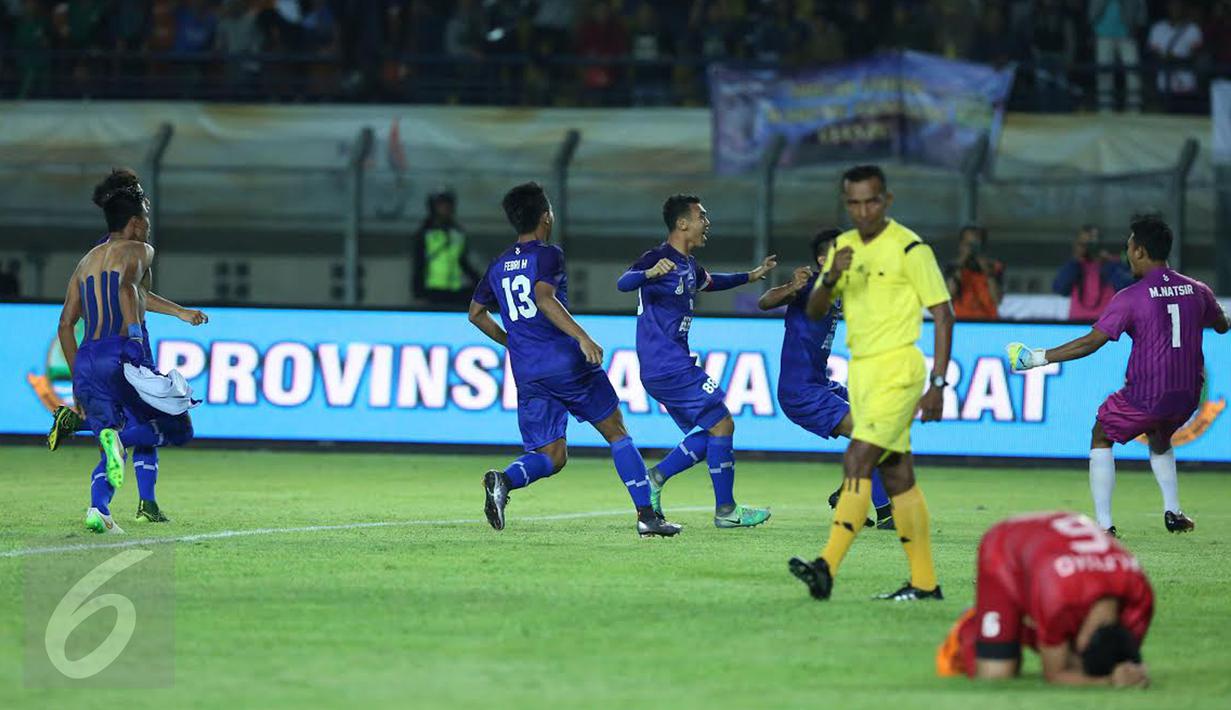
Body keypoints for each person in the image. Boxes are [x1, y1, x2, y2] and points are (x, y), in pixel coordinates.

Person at [468, 182, 680, 538]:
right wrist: (582, 337)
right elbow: (544, 297)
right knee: (616, 432)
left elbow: (476, 314)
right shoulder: (548, 254)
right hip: (565, 363)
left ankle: (503, 480)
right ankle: (647, 516)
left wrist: (513, 342)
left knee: (552, 455)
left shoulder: (498, 264)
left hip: (528, 371)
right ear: (546, 216)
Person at [788, 164, 955, 602]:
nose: (863, 211)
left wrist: (938, 381)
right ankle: (924, 583)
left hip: (899, 370)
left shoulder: (910, 249)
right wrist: (829, 276)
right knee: (897, 474)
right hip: (861, 371)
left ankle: (826, 566)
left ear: (887, 200)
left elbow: (943, 312)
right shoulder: (843, 248)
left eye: (871, 201)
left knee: (857, 460)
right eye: (855, 203)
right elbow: (815, 308)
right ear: (847, 203)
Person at [1009, 214, 1229, 535]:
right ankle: (1173, 511)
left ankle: (1104, 526)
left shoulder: (1131, 297)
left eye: (1128, 247)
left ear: (1139, 251)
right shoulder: (1198, 290)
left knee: (1101, 433)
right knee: (1160, 436)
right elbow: (1222, 325)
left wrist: (1037, 358)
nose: (1127, 255)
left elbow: (1091, 342)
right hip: (1188, 395)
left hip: (1148, 393)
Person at [57, 169, 205, 533]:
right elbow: (126, 288)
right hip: (123, 352)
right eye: (147, 217)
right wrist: (135, 341)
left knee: (117, 435)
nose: (149, 225)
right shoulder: (140, 249)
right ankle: (117, 441)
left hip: (89, 357)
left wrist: (78, 378)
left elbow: (64, 325)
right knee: (177, 425)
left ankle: (99, 511)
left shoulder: (86, 261)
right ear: (137, 222)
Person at [617, 194, 777, 529]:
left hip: (668, 366)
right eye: (702, 216)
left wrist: (750, 276)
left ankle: (656, 478)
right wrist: (647, 273)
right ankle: (726, 511)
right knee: (723, 424)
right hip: (667, 364)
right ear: (682, 223)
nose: (707, 222)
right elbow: (623, 283)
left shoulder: (690, 265)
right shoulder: (658, 257)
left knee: (712, 433)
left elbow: (713, 281)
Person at [757, 228, 893, 530]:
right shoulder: (810, 286)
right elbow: (765, 302)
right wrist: (792, 284)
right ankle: (885, 513)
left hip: (819, 384)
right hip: (800, 392)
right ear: (823, 258)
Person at [936, 511, 1152, 687]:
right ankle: (973, 621)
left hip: (1057, 554)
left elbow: (1119, 656)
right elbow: (1055, 675)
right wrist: (1108, 681)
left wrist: (1128, 669)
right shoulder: (1059, 603)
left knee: (1067, 651)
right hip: (1005, 548)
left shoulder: (1142, 600)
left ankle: (1015, 626)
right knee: (996, 674)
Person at [412, 189, 480, 307]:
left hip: (455, 290)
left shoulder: (457, 233)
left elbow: (463, 262)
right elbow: (418, 264)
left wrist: (480, 284)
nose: (445, 208)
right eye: (441, 205)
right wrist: (418, 293)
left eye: (448, 205)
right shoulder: (425, 233)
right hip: (431, 292)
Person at [1052, 224, 1133, 321]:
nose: (1088, 246)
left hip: (1107, 327)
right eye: (1083, 243)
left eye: (1092, 242)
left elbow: (1127, 289)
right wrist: (1076, 260)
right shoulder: (1074, 266)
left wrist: (1108, 264)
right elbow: (1060, 289)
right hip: (1076, 325)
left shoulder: (1113, 265)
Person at [1089, 0, 1146, 112]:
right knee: (1104, 74)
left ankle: (1134, 110)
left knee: (1133, 73)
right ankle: (1105, 110)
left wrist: (1139, 24)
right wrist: (1092, 25)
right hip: (1103, 33)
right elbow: (1093, 6)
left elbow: (1141, 5)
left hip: (1127, 32)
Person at [945, 224, 1004, 321]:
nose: (972, 249)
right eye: (968, 244)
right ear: (961, 245)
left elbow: (997, 300)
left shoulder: (995, 267)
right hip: (961, 321)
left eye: (975, 245)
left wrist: (988, 273)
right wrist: (960, 265)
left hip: (988, 321)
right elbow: (949, 296)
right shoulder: (952, 267)